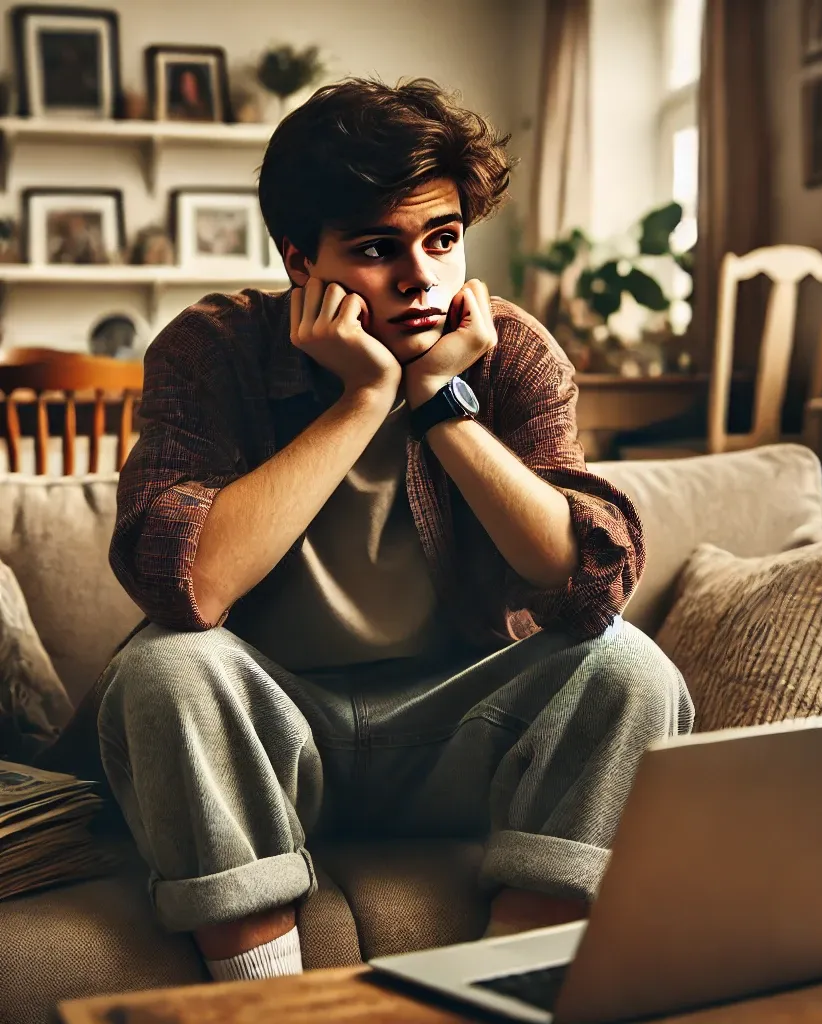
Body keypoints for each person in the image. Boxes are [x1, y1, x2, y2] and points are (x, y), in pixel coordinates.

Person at [95, 77, 692, 983]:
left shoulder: (507, 349)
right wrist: (363, 397)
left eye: (443, 240)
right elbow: (193, 585)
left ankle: (510, 996)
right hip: (273, 738)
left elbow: (583, 581)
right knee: (164, 669)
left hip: (458, 729)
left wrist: (440, 407)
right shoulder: (212, 348)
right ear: (302, 263)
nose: (421, 277)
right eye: (378, 249)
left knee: (629, 668)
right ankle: (270, 1002)